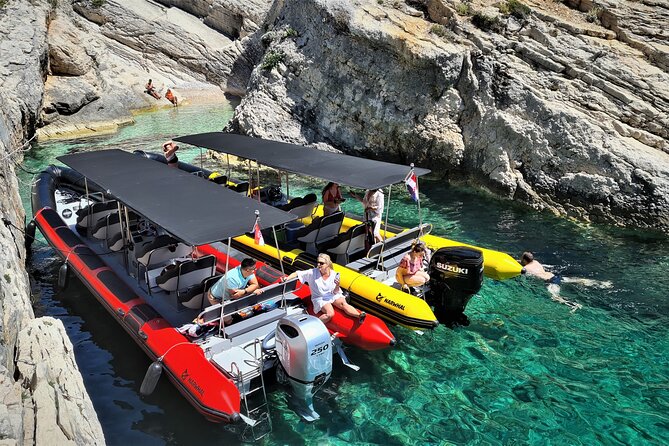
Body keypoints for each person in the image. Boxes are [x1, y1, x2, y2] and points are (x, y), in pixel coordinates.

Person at [281, 253, 365, 324]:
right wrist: (287, 278)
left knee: (344, 304)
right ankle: (314, 325)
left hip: (332, 295)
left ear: (327, 264)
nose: (318, 265)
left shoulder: (334, 274)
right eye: (318, 263)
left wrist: (337, 285)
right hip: (320, 298)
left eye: (321, 263)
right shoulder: (312, 273)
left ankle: (359, 316)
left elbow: (335, 291)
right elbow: (297, 273)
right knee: (330, 314)